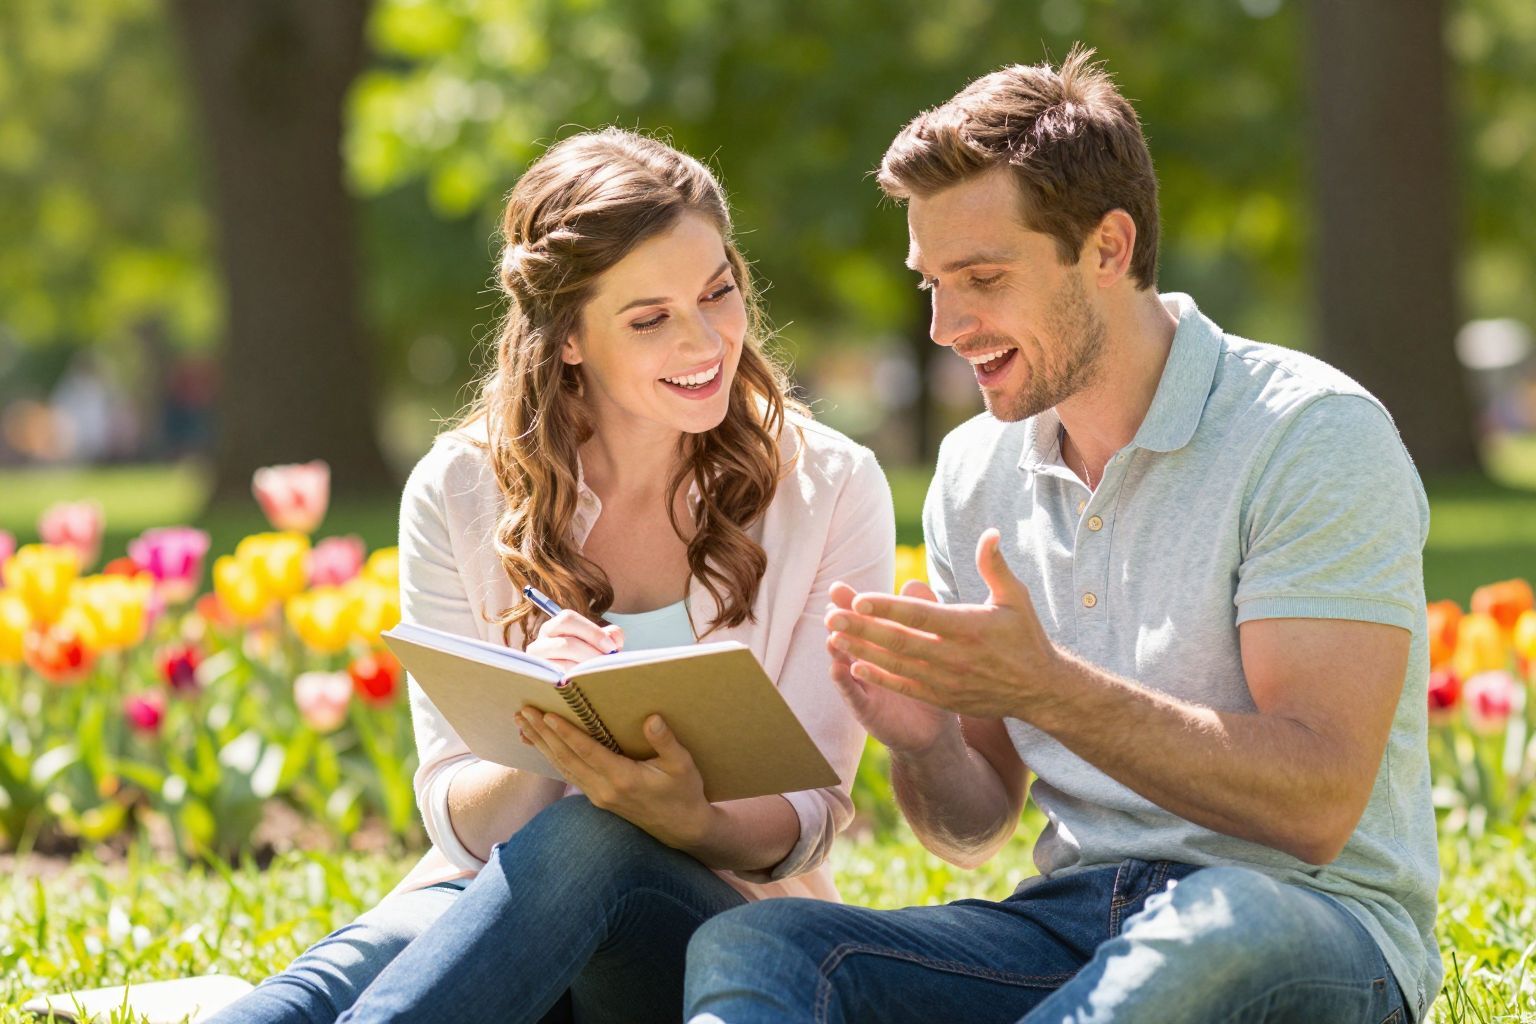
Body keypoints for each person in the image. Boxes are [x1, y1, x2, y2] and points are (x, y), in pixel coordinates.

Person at [685, 46, 1440, 1024]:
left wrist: (1046, 687)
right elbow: (974, 823)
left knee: (1222, 918)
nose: (946, 326)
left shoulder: (1309, 435)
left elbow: (1316, 804)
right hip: (1071, 926)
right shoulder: (975, 471)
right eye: (930, 285)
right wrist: (924, 744)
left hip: (1301, 922)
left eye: (983, 278)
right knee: (758, 943)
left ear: (1109, 248)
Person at [210, 128, 894, 1024]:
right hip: (493, 903)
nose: (706, 340)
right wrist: (544, 723)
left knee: (594, 833)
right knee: (318, 990)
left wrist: (688, 817)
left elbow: (810, 810)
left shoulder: (830, 487)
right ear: (569, 339)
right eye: (649, 319)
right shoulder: (460, 490)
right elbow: (460, 817)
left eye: (718, 292)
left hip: (714, 931)